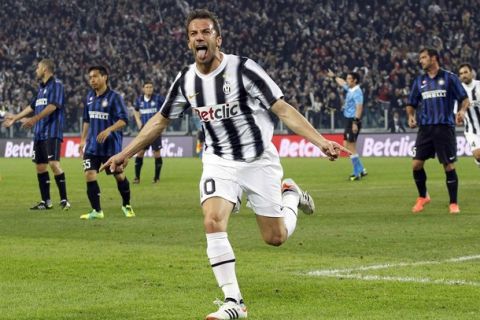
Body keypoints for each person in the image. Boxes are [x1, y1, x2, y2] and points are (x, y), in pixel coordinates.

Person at [101, 9, 348, 320]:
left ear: (218, 38)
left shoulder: (243, 70)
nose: (199, 38)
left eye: (205, 32)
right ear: (189, 42)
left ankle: (291, 196)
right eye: (193, 34)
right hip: (219, 160)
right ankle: (234, 301)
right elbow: (159, 121)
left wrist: (320, 141)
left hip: (259, 161)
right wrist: (125, 153)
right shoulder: (186, 80)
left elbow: (282, 109)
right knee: (212, 220)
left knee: (275, 238)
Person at [406, 48, 469, 214]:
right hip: (425, 129)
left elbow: (464, 98)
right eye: (420, 58)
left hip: (444, 127)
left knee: (448, 165)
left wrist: (462, 111)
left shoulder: (449, 78)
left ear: (434, 58)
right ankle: (422, 196)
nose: (421, 61)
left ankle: (453, 203)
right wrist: (411, 116)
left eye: (424, 57)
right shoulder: (419, 81)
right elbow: (411, 102)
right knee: (416, 164)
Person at [2, 59, 70, 210]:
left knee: (53, 164)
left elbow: (53, 106)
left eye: (38, 67)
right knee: (40, 167)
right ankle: (46, 201)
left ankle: (64, 200)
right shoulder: (41, 89)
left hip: (51, 131)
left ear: (45, 69)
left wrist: (33, 120)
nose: (36, 70)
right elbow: (31, 107)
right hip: (39, 133)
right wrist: (15, 117)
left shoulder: (56, 85)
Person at [78, 65, 135, 220]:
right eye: (90, 77)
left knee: (119, 176)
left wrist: (109, 129)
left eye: (95, 76)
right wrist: (82, 140)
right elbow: (86, 120)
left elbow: (124, 120)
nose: (92, 80)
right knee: (89, 174)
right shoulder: (89, 97)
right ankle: (96, 210)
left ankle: (126, 204)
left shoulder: (115, 97)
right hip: (92, 147)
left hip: (111, 148)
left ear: (105, 77)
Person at [327, 69, 367, 181]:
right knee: (346, 144)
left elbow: (359, 107)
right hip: (349, 121)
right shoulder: (351, 89)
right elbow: (342, 82)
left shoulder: (357, 92)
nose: (347, 80)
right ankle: (361, 169)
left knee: (350, 147)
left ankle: (356, 173)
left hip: (353, 121)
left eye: (349, 79)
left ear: (355, 81)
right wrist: (334, 76)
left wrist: (355, 122)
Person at [132, 80, 166, 184]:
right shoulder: (139, 100)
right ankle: (137, 178)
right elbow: (135, 110)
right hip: (144, 131)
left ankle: (156, 178)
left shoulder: (158, 99)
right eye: (147, 87)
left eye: (150, 87)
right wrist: (138, 121)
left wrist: (162, 123)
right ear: (143, 89)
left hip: (155, 131)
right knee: (140, 152)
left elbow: (165, 109)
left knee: (156, 153)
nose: (149, 89)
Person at [457, 63, 480, 166]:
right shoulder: (458, 90)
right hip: (471, 130)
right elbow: (456, 112)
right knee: (478, 155)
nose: (463, 75)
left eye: (466, 72)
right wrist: (458, 117)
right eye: (461, 73)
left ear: (471, 73)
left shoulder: (479, 85)